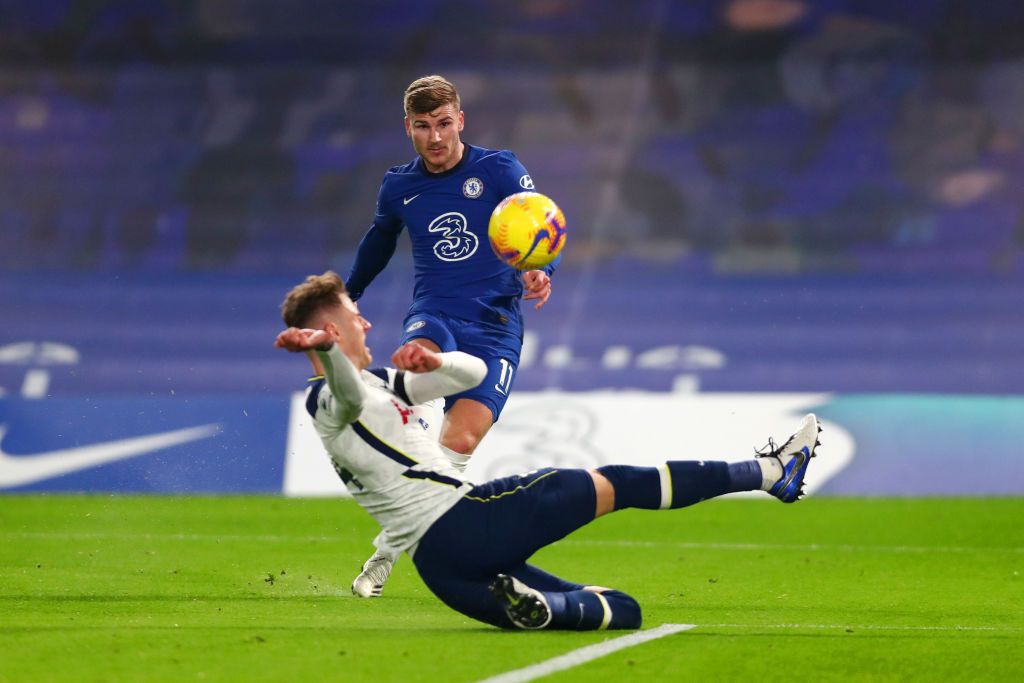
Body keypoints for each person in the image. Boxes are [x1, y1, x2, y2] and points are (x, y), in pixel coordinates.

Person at [276, 272, 822, 630]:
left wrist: (436, 363)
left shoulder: (378, 386)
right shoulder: (328, 398)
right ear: (330, 329)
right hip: (468, 520)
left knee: (623, 612)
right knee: (619, 482)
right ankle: (771, 470)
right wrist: (329, 353)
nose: (365, 321)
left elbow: (477, 371)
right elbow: (343, 390)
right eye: (354, 315)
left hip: (442, 569)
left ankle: (540, 606)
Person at [344, 75, 559, 595]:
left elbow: (542, 223)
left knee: (457, 445)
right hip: (435, 314)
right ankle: (391, 421)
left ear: (460, 120)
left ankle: (384, 554)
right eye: (423, 127)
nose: (435, 138)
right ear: (408, 129)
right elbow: (379, 239)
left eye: (444, 124)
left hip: (496, 325)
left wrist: (543, 271)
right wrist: (349, 295)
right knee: (416, 357)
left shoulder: (499, 169)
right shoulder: (400, 185)